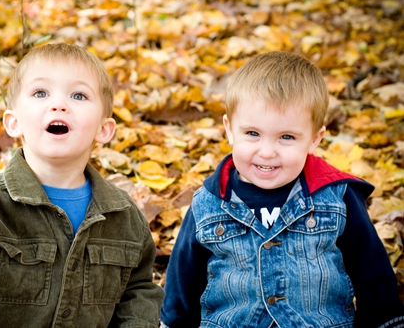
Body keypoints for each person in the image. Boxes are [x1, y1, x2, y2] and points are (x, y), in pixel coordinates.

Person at [0, 43, 164, 327]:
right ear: (13, 123)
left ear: (103, 129)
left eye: (78, 95)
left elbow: (139, 288)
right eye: (40, 93)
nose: (59, 104)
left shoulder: (122, 214)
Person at [160, 51, 404, 328]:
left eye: (286, 137)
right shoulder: (208, 202)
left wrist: (387, 321)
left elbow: (371, 271)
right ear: (229, 129)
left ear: (314, 139)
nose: (266, 152)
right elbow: (184, 279)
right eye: (252, 133)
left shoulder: (336, 196)